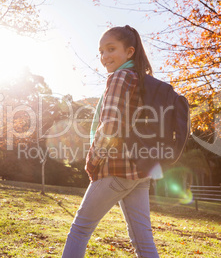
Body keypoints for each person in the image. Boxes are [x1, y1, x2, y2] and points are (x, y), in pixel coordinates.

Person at [62, 25, 159, 258]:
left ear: (129, 52)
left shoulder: (120, 77)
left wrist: (93, 161)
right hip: (141, 170)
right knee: (143, 240)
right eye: (101, 52)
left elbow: (110, 125)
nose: (104, 57)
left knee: (80, 229)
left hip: (116, 168)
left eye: (111, 49)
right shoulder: (142, 80)